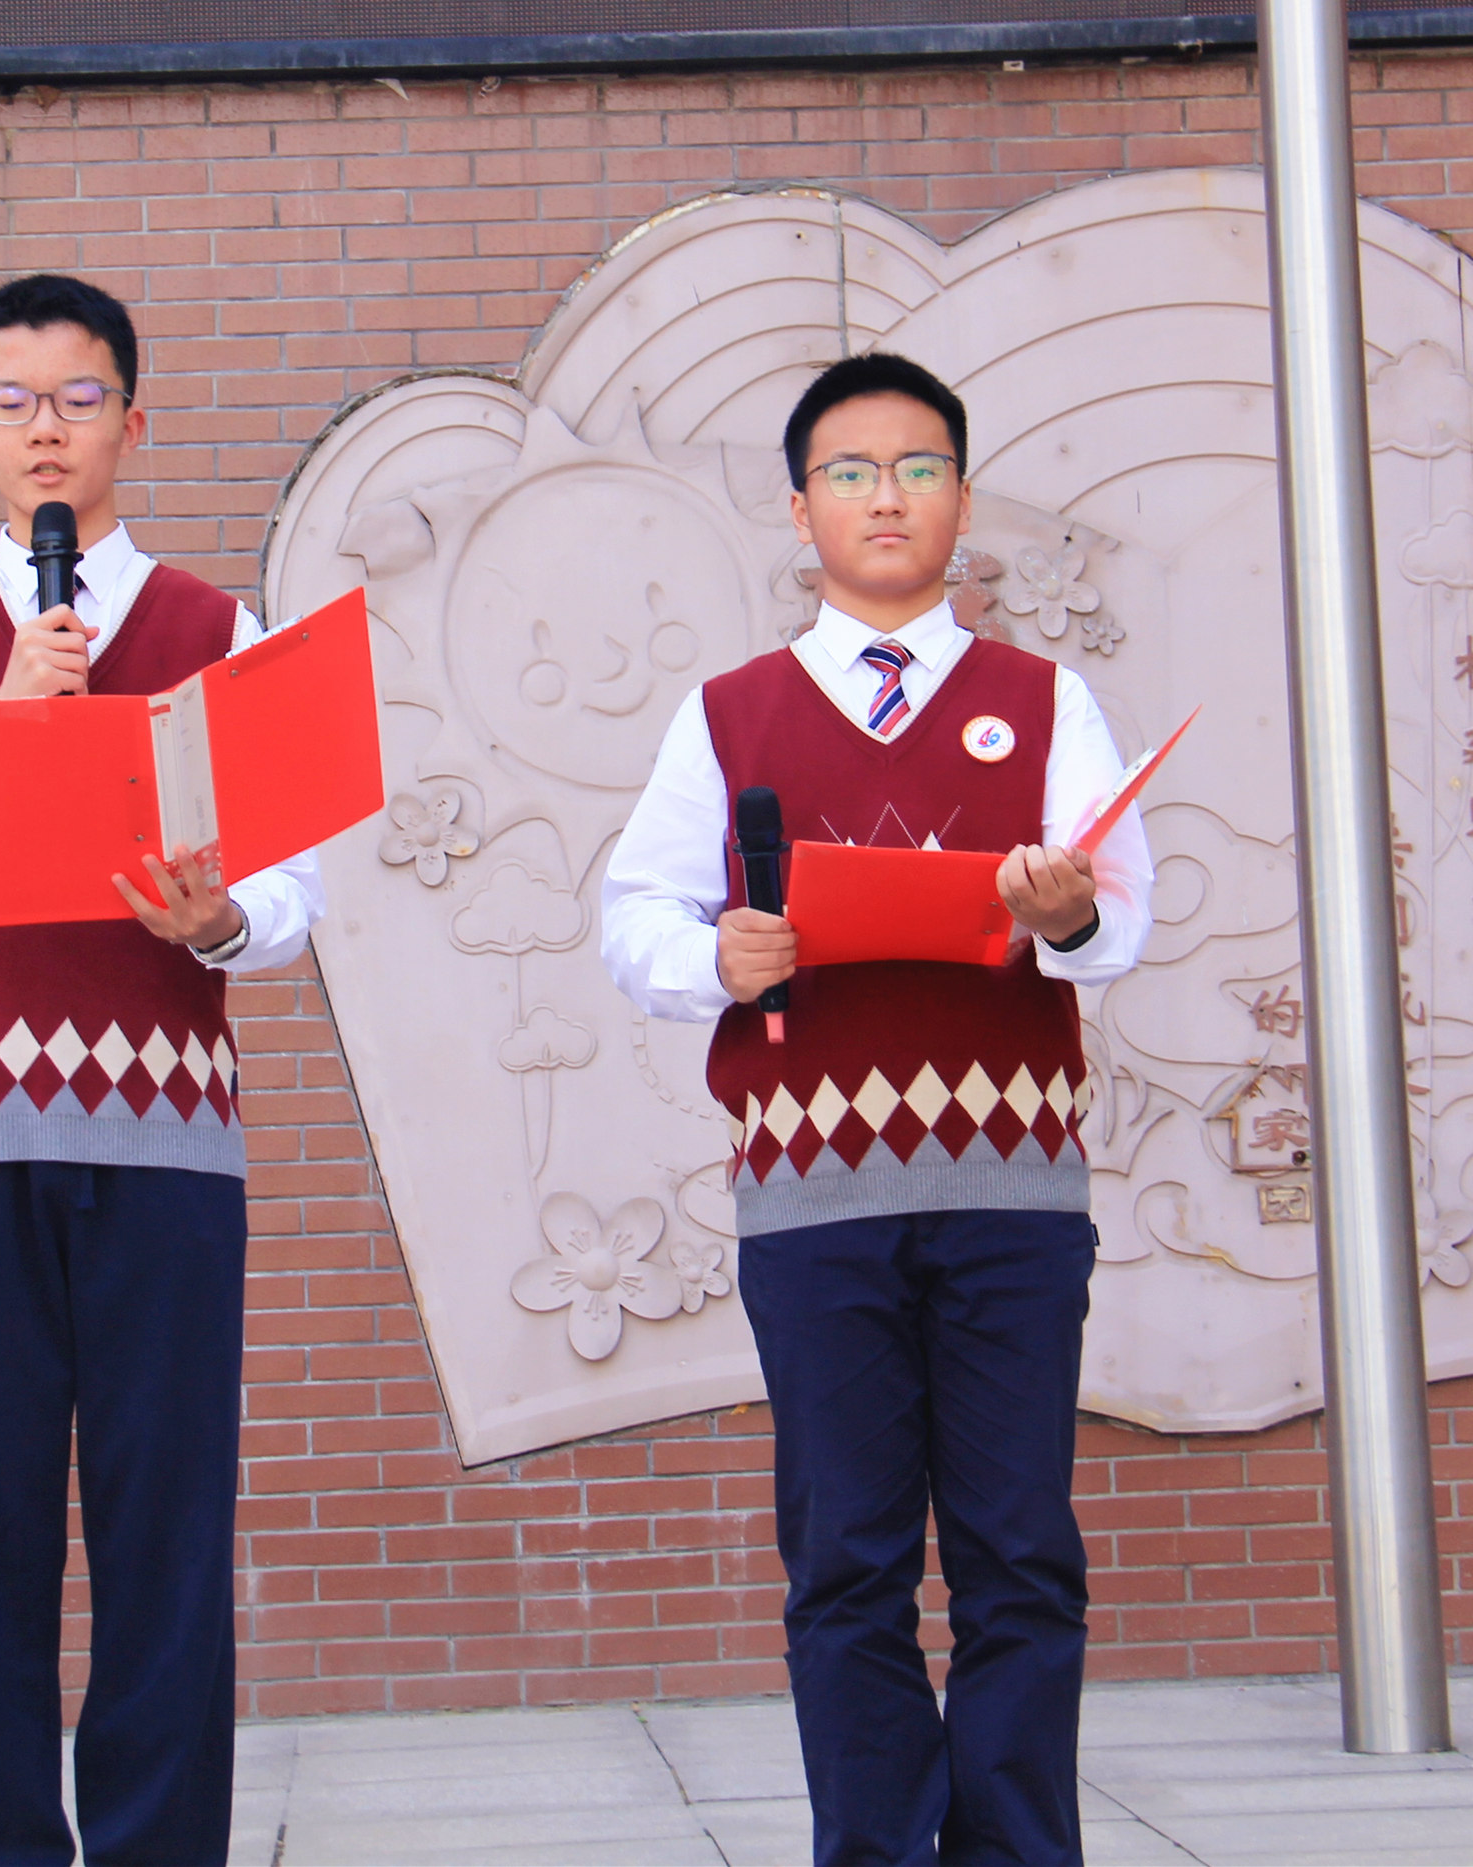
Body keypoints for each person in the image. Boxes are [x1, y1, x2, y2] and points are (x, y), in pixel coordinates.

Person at [600, 352, 1154, 1867]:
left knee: (1018, 1553)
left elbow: (1123, 916)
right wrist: (715, 958)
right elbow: (634, 916)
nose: (886, 498)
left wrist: (1063, 912)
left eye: (917, 468)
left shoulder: (1045, 701)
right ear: (802, 511)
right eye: (849, 473)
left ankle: (1016, 1850)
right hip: (812, 1204)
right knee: (845, 1561)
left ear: (961, 499)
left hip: (1010, 1201)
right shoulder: (730, 715)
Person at [0, 273, 319, 1867]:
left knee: (169, 1536)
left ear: (132, 424)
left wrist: (221, 918)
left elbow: (294, 898)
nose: (47, 430)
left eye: (80, 399)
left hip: (166, 1141)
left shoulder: (219, 631)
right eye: (14, 402)